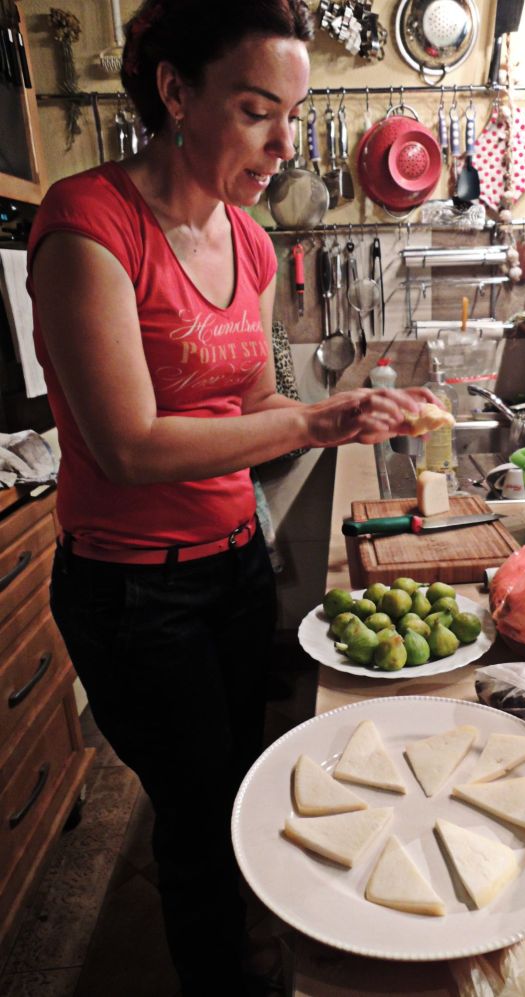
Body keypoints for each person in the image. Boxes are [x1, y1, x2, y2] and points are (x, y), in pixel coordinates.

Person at [26, 1, 436, 993]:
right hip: (134, 597)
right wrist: (312, 422)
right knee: (202, 822)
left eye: (292, 115)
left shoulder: (250, 245)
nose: (284, 144)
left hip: (232, 566)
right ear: (175, 91)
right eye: (257, 110)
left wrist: (338, 413)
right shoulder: (89, 224)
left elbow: (253, 405)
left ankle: (256, 950)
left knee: (249, 786)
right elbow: (128, 446)